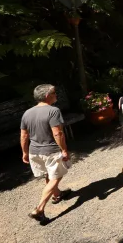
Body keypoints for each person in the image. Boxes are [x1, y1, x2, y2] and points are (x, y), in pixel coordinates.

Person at [20, 84, 70, 222]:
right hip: (51, 151)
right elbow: (58, 133)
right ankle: (39, 209)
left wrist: (24, 153)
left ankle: (57, 194)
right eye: (54, 93)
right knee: (56, 177)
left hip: (34, 152)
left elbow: (24, 136)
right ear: (48, 96)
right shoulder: (53, 111)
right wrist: (64, 150)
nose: (56, 95)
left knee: (49, 174)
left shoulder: (27, 113)